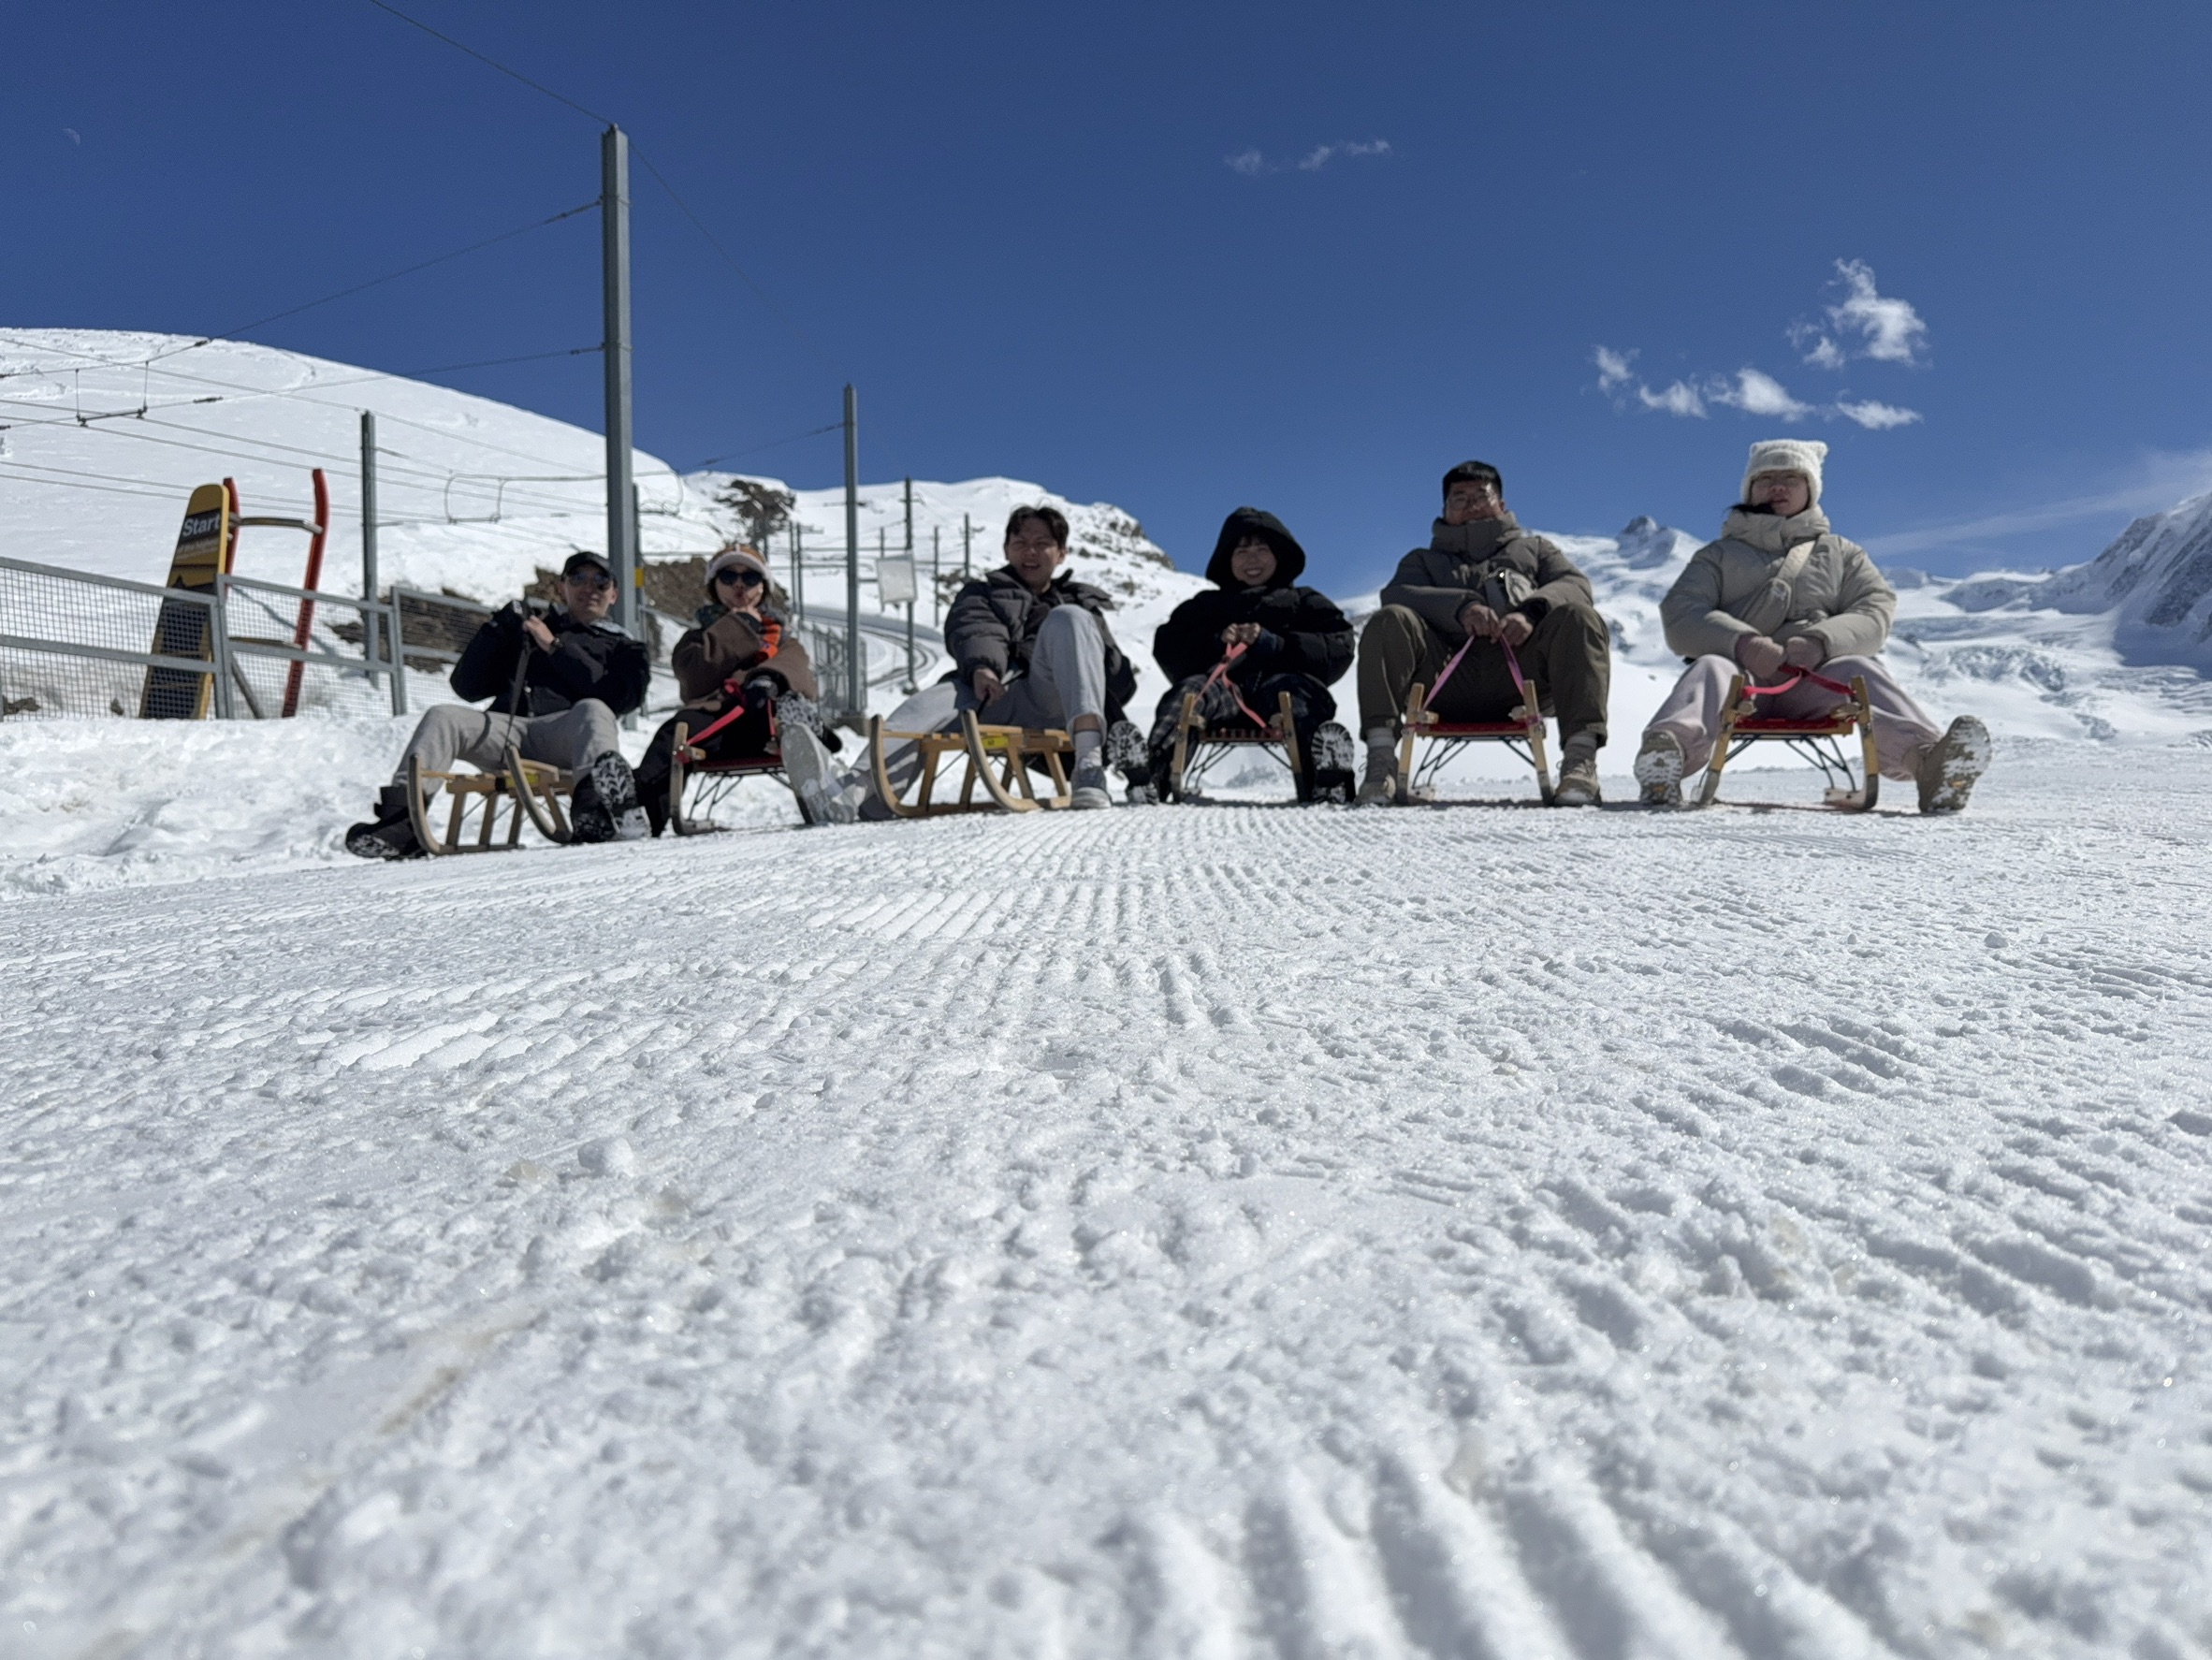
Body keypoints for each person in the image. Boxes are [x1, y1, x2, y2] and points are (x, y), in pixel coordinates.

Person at [1634, 439, 1990, 813]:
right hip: (1742, 687)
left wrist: (1821, 642)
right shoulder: (1716, 557)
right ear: (1749, 489)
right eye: (1766, 478)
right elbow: (1681, 612)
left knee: (1860, 670)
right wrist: (1742, 644)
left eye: (1791, 477)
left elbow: (1875, 608)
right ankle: (1665, 758)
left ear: (1811, 489)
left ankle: (1929, 764)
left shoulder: (1842, 554)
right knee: (1711, 667)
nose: (1777, 486)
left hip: (1815, 685)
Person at [344, 549, 651, 857]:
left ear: (613, 595)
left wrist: (555, 648)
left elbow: (620, 697)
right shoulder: (531, 628)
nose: (589, 588)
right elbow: (467, 688)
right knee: (443, 716)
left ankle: (595, 812)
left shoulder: (626, 647)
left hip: (565, 733)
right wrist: (495, 631)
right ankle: (400, 823)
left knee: (594, 709)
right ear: (562, 587)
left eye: (600, 581)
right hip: (508, 732)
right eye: (579, 578)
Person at [1356, 460, 1612, 806]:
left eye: (1482, 495)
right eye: (1459, 499)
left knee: (1579, 617)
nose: (1472, 505)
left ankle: (1580, 764)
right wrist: (1462, 609)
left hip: (1522, 682)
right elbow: (1398, 593)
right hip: (1442, 683)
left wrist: (1531, 612)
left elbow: (1576, 585)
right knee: (1389, 619)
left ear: (1501, 505)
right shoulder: (1422, 562)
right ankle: (1381, 764)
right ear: (1445, 509)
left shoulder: (1536, 550)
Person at [1136, 506, 1356, 800]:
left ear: (1279, 555)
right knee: (1189, 695)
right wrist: (1215, 642)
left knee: (1299, 700)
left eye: (1262, 549)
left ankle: (1328, 780)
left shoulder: (1304, 602)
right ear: (1227, 560)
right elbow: (1169, 645)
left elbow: (1337, 645)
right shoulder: (1206, 605)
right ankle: (1151, 776)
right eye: (1241, 551)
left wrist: (1275, 644)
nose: (1252, 559)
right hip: (1223, 690)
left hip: (1280, 687)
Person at [938, 504, 1141, 810]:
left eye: (1042, 544)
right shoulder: (983, 594)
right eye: (1020, 544)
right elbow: (977, 630)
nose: (1030, 552)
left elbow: (1119, 681)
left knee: (1070, 618)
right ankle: (860, 787)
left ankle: (1089, 768)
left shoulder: (1080, 605)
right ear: (1006, 550)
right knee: (931, 702)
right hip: (998, 695)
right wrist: (983, 668)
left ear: (1061, 553)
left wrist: (1093, 641)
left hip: (1060, 706)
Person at [630, 546, 837, 834]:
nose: (739, 584)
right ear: (714, 586)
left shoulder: (781, 637)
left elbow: (799, 668)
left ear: (763, 588)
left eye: (750, 578)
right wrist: (739, 627)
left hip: (766, 721)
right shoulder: (696, 638)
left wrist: (768, 678)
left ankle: (803, 742)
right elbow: (694, 679)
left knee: (779, 705)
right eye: (728, 576)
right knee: (674, 733)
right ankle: (638, 812)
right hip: (717, 724)